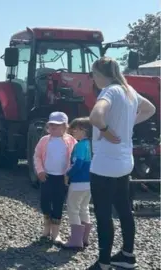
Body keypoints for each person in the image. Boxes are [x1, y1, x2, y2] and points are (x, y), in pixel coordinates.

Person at [87, 57, 155, 270]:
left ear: (99, 74)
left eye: (93, 75)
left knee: (104, 213)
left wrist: (106, 130)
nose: (93, 79)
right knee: (124, 210)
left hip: (105, 163)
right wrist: (128, 122)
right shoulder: (129, 90)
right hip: (125, 161)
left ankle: (104, 261)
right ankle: (127, 255)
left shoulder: (109, 91)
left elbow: (95, 116)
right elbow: (150, 108)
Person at [33, 111, 77, 244]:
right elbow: (37, 156)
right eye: (51, 125)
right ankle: (46, 227)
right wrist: (40, 171)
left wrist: (69, 174)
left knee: (58, 203)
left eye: (57, 126)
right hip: (47, 176)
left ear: (65, 126)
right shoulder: (44, 140)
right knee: (45, 202)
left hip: (62, 178)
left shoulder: (71, 141)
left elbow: (74, 158)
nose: (53, 128)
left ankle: (55, 233)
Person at [62, 117, 92, 250]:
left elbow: (78, 163)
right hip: (89, 183)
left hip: (78, 182)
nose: (72, 131)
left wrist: (68, 174)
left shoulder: (80, 145)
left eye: (75, 129)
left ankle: (75, 240)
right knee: (84, 208)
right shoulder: (91, 145)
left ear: (83, 130)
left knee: (73, 208)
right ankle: (84, 238)